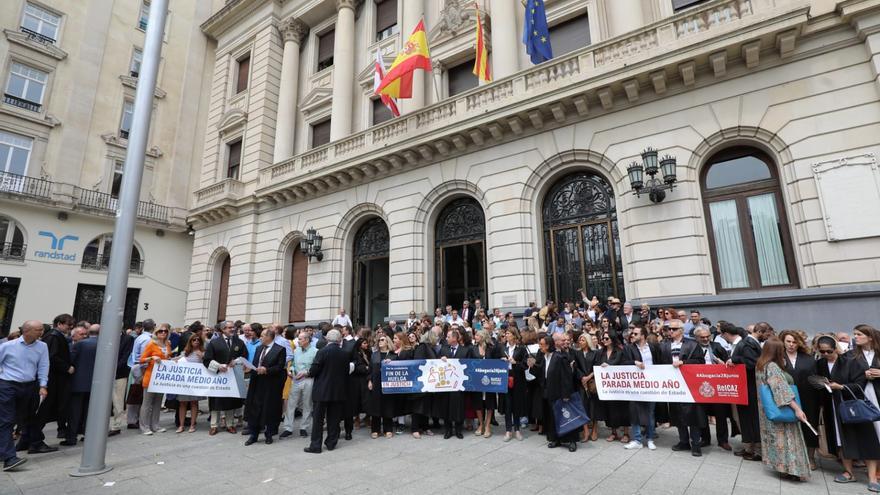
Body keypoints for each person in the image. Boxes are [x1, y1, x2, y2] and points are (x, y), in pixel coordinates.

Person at [828, 325, 880, 491]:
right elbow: (839, 377)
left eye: (859, 334)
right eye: (855, 334)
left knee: (874, 435)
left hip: (876, 398)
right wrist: (860, 377)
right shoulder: (849, 356)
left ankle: (873, 477)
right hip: (854, 400)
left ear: (870, 337)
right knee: (849, 434)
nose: (855, 337)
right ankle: (849, 472)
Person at [755, 337, 810, 481]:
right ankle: (792, 469)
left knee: (775, 440)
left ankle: (782, 468)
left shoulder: (760, 364)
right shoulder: (772, 366)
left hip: (767, 410)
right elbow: (781, 390)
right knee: (788, 439)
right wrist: (797, 409)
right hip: (781, 408)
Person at [0, 320, 49, 471]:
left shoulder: (42, 346)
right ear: (27, 331)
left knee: (20, 419)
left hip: (29, 386)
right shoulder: (7, 346)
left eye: (41, 329)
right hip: (8, 385)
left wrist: (43, 385)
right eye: (38, 330)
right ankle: (10, 458)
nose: (41, 332)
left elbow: (43, 365)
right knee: (7, 420)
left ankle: (4, 450)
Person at [662, 320, 706, 456]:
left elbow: (700, 362)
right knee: (677, 414)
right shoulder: (664, 346)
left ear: (681, 330)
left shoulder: (692, 344)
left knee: (692, 415)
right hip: (673, 385)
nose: (671, 331)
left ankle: (696, 444)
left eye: (674, 329)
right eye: (669, 329)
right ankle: (683, 441)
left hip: (689, 385)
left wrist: (684, 363)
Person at [779, 330, 820, 469]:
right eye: (788, 341)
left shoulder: (808, 358)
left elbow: (815, 377)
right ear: (783, 342)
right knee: (788, 426)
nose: (791, 345)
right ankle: (791, 457)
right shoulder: (778, 357)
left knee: (809, 425)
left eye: (794, 342)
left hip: (808, 396)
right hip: (786, 397)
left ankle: (810, 457)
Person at [304, 329, 349, 454]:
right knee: (334, 419)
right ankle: (331, 443)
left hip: (322, 390)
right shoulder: (345, 353)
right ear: (340, 340)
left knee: (318, 419)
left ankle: (316, 445)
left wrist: (308, 373)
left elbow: (314, 370)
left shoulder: (322, 352)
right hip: (338, 391)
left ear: (327, 339)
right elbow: (346, 372)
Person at [723, 321, 763, 460]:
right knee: (744, 418)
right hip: (742, 388)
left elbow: (751, 363)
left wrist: (735, 359)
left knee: (751, 418)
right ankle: (749, 447)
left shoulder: (745, 344)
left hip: (749, 388)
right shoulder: (742, 343)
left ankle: (756, 450)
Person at [533, 334, 579, 452]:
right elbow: (541, 373)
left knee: (566, 416)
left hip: (560, 393)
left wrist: (566, 394)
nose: (540, 347)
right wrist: (532, 365)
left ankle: (572, 441)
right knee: (552, 417)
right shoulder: (544, 357)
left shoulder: (559, 357)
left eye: (542, 345)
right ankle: (556, 439)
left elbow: (566, 377)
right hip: (549, 392)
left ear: (548, 345)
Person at [203, 320, 248, 435]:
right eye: (229, 328)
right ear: (223, 329)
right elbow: (207, 359)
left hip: (233, 376)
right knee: (215, 401)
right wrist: (218, 366)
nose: (232, 329)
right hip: (217, 376)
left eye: (233, 327)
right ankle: (214, 425)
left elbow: (244, 356)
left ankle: (230, 424)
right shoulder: (214, 343)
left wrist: (237, 361)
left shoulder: (239, 342)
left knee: (230, 400)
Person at [244, 329, 287, 445]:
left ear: (269, 337)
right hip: (257, 383)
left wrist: (267, 370)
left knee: (270, 409)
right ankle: (254, 434)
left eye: (262, 336)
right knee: (255, 409)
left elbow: (280, 367)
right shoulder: (259, 348)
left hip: (271, 385)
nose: (260, 338)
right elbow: (255, 363)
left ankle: (269, 434)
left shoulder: (280, 349)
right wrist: (249, 367)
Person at [694, 326, 733, 451]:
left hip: (718, 385)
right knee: (702, 413)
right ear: (696, 338)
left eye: (707, 336)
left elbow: (728, 362)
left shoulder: (717, 346)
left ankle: (723, 440)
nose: (706, 339)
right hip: (700, 385)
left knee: (721, 413)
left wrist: (723, 363)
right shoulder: (693, 348)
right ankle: (705, 438)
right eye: (702, 337)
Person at [62, 324, 99, 446]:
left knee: (74, 412)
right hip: (94, 383)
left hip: (77, 383)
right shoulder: (102, 345)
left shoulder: (79, 345)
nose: (83, 336)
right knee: (88, 411)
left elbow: (70, 361)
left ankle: (71, 437)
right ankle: (86, 434)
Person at [625, 324, 661, 450]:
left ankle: (650, 439)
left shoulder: (653, 347)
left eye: (635, 333)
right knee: (635, 412)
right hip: (635, 385)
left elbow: (659, 362)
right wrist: (634, 362)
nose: (632, 335)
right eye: (632, 333)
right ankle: (637, 440)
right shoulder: (628, 348)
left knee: (650, 412)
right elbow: (623, 363)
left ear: (643, 335)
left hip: (651, 384)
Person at [594, 332, 630, 443]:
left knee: (623, 409)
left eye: (606, 338)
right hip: (607, 387)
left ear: (612, 339)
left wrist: (611, 367)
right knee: (610, 409)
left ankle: (626, 433)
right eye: (603, 338)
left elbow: (625, 364)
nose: (604, 340)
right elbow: (596, 364)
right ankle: (613, 433)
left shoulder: (620, 351)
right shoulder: (600, 352)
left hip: (619, 386)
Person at [282, 330, 318, 438]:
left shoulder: (315, 351)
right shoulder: (296, 350)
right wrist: (291, 371)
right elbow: (292, 363)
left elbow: (316, 366)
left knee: (307, 404)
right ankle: (288, 428)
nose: (298, 341)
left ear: (307, 340)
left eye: (300, 339)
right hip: (296, 379)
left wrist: (306, 373)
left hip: (308, 379)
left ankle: (304, 428)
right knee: (291, 404)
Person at [139, 324, 171, 435]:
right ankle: (144, 426)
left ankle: (155, 425)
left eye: (165, 331)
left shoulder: (167, 344)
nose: (163, 333)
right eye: (161, 331)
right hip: (150, 377)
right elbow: (141, 359)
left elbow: (167, 359)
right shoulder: (151, 344)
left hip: (161, 379)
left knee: (157, 403)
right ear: (156, 333)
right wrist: (152, 357)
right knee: (147, 404)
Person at [439, 329, 470, 439]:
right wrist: (440, 360)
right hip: (446, 385)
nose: (446, 339)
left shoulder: (465, 350)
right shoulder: (443, 349)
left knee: (459, 407)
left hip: (459, 384)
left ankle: (458, 430)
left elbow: (469, 366)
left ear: (454, 338)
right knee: (446, 406)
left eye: (448, 337)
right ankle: (447, 430)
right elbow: (436, 365)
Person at [501, 328, 528, 442]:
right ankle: (508, 430)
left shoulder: (521, 349)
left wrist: (515, 363)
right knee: (507, 405)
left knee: (516, 404)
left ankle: (517, 429)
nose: (506, 335)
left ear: (514, 335)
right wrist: (502, 361)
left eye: (508, 333)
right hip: (505, 378)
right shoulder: (502, 348)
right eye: (506, 333)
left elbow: (525, 365)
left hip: (517, 379)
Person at [367, 334, 397, 439]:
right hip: (376, 383)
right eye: (379, 340)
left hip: (388, 384)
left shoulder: (393, 355)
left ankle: (388, 429)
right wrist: (370, 380)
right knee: (375, 406)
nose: (380, 341)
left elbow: (398, 369)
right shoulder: (374, 354)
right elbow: (370, 369)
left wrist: (392, 362)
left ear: (387, 342)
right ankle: (375, 429)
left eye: (382, 340)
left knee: (387, 406)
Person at [175, 334, 205, 433]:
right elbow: (176, 360)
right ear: (190, 341)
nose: (196, 341)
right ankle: (181, 425)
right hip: (184, 382)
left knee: (194, 403)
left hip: (195, 383)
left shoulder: (202, 353)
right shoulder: (185, 352)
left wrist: (202, 357)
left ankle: (192, 425)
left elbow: (207, 364)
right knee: (182, 403)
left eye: (198, 340)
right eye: (194, 340)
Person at [110, 325, 134, 436]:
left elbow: (125, 357)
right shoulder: (106, 337)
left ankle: (116, 425)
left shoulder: (128, 339)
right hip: (104, 375)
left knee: (118, 401)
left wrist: (112, 369)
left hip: (119, 374)